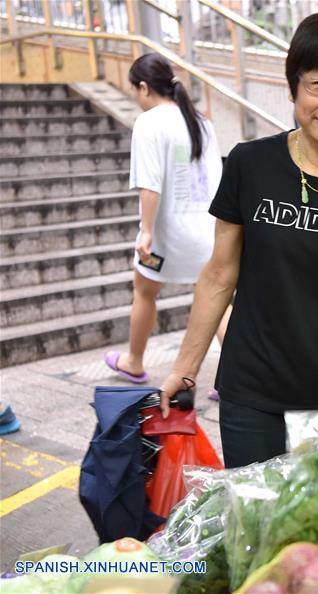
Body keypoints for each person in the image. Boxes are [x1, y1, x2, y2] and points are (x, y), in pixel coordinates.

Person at [159, 12, 318, 468]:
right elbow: (219, 274)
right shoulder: (249, 163)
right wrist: (184, 369)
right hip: (253, 393)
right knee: (258, 532)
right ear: (293, 85)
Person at [104, 53, 230, 387]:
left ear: (144, 87)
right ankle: (236, 377)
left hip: (168, 236)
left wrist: (145, 231)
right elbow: (217, 178)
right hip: (208, 231)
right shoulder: (201, 121)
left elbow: (150, 183)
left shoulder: (149, 122)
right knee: (216, 299)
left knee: (144, 291)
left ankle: (133, 361)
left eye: (135, 90)